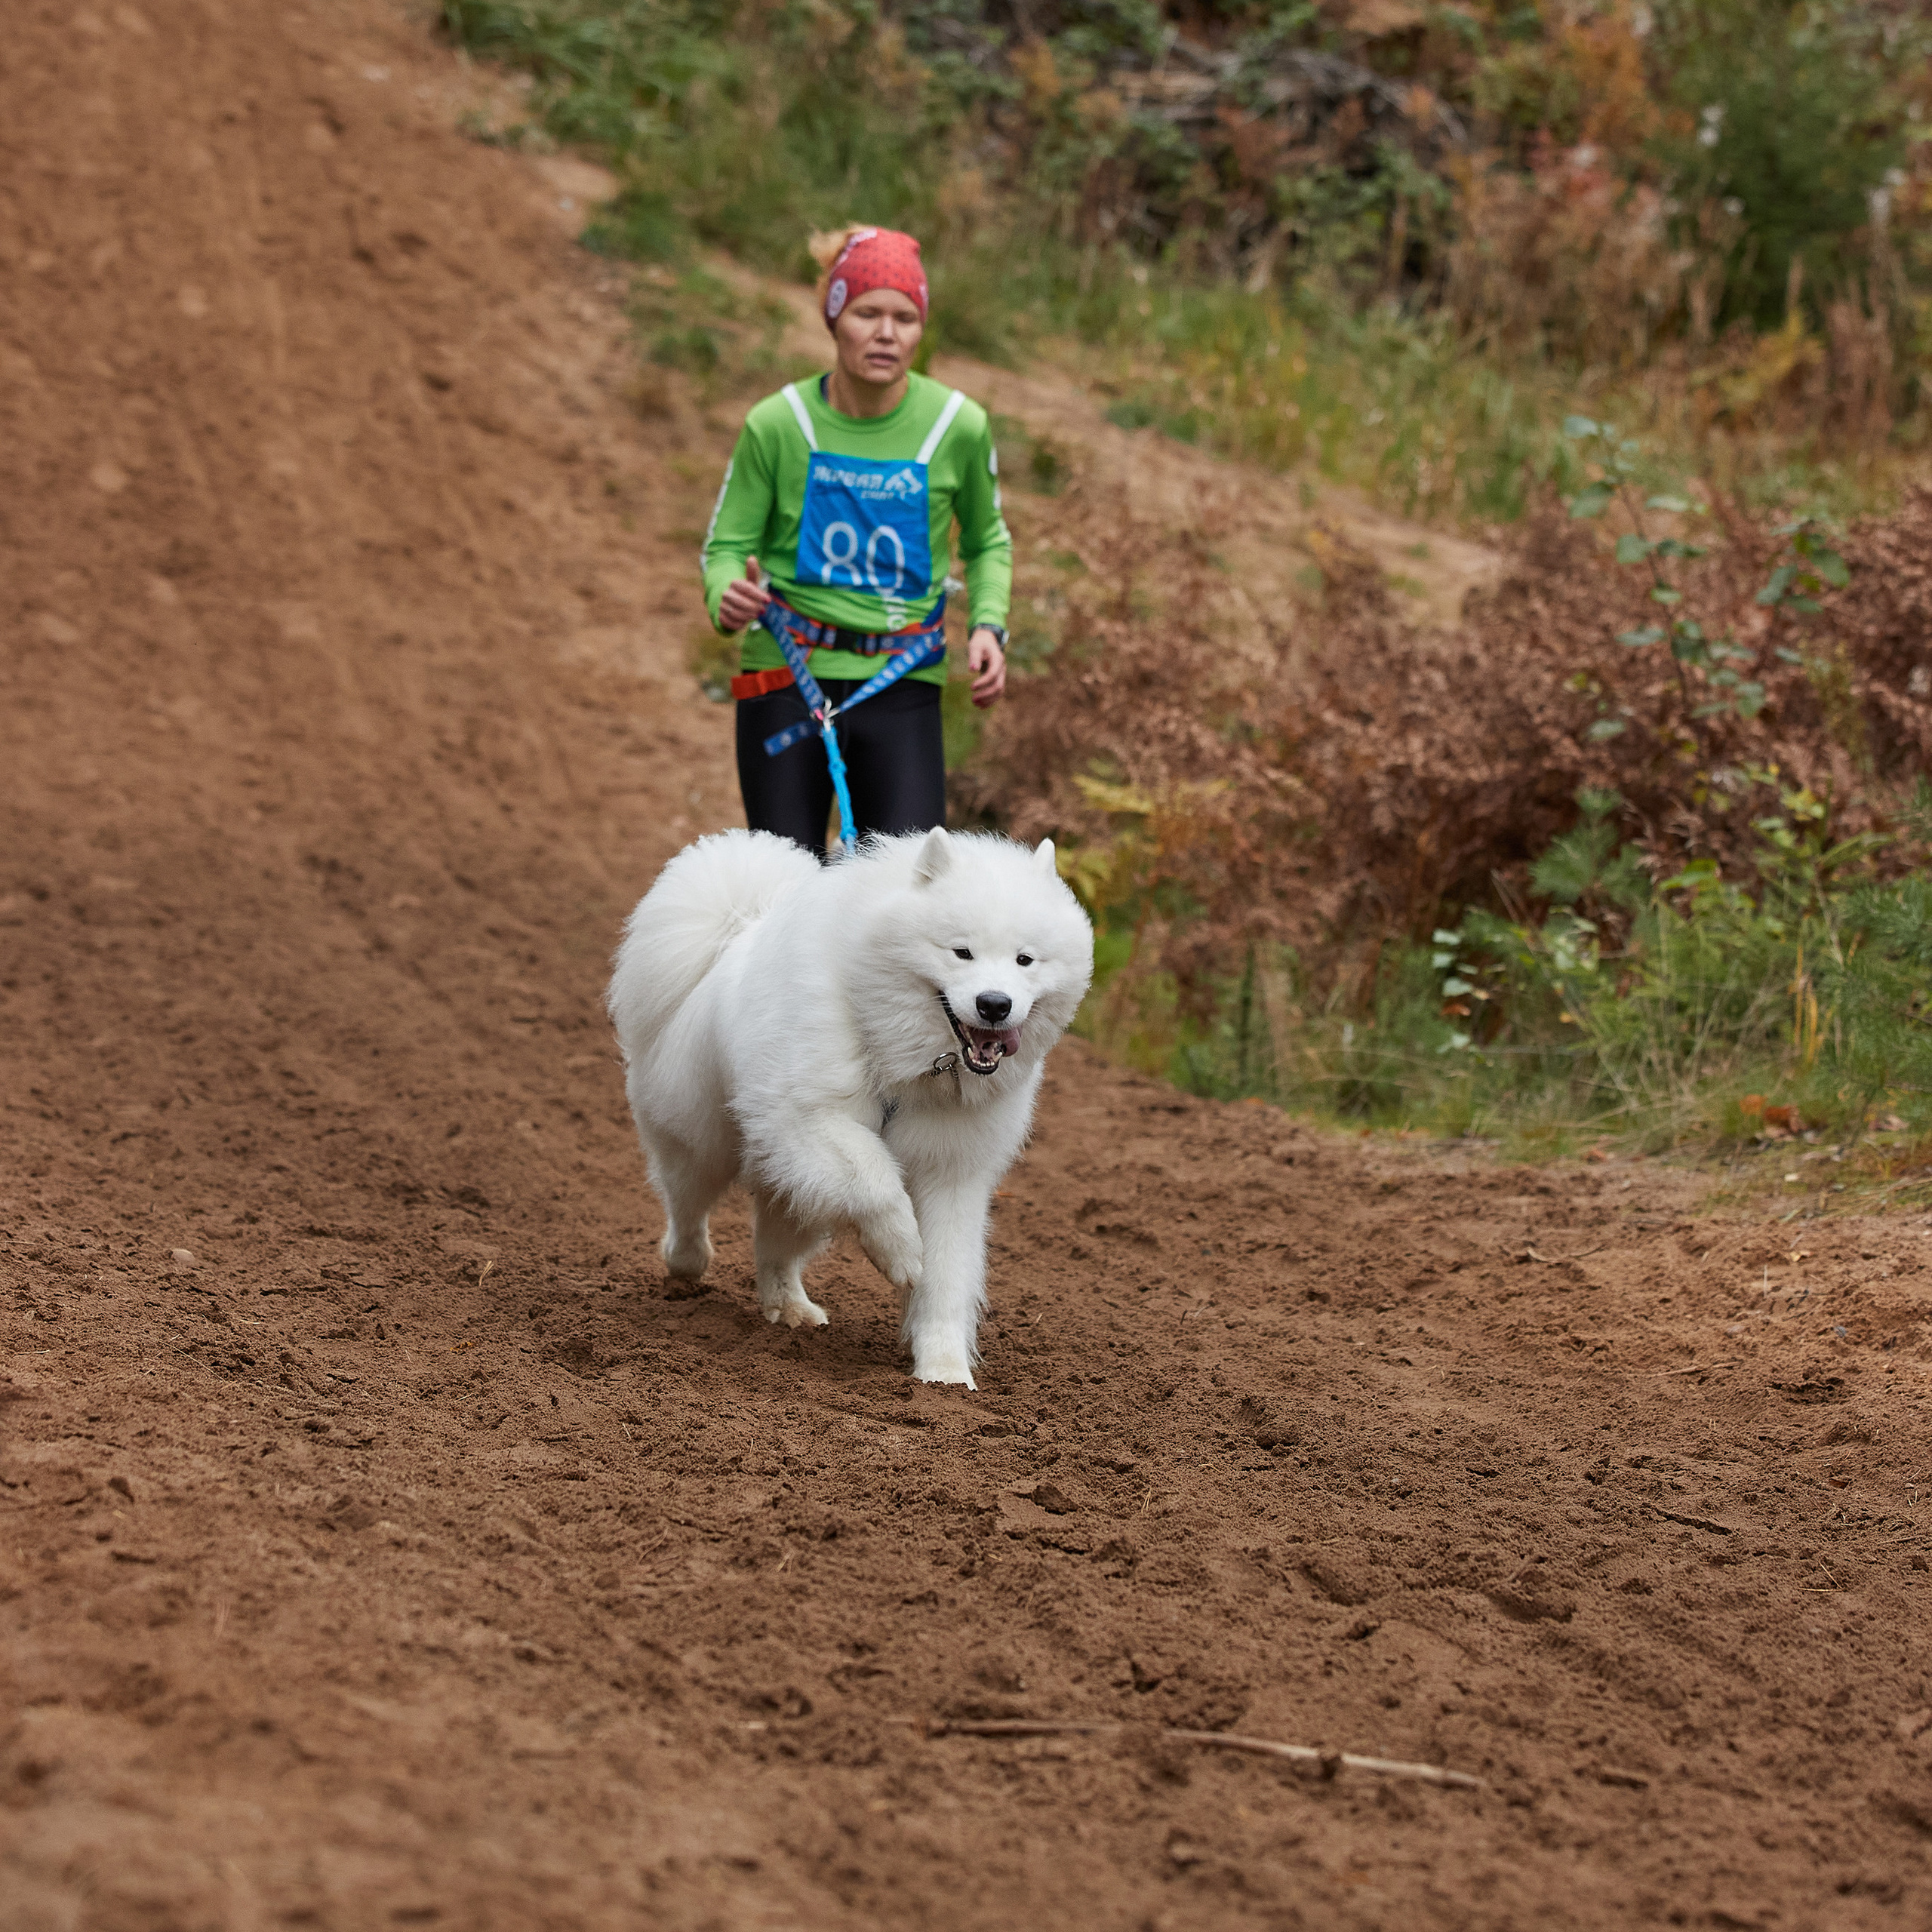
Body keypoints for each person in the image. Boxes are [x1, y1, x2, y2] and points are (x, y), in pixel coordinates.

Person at [700, 225, 1013, 855]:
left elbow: (987, 542)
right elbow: (725, 546)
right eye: (867, 313)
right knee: (785, 888)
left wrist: (988, 625)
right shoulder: (777, 423)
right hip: (785, 677)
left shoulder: (958, 426)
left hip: (902, 683)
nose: (886, 333)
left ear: (921, 329)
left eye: (905, 317)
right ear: (834, 317)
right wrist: (724, 595)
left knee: (905, 887)